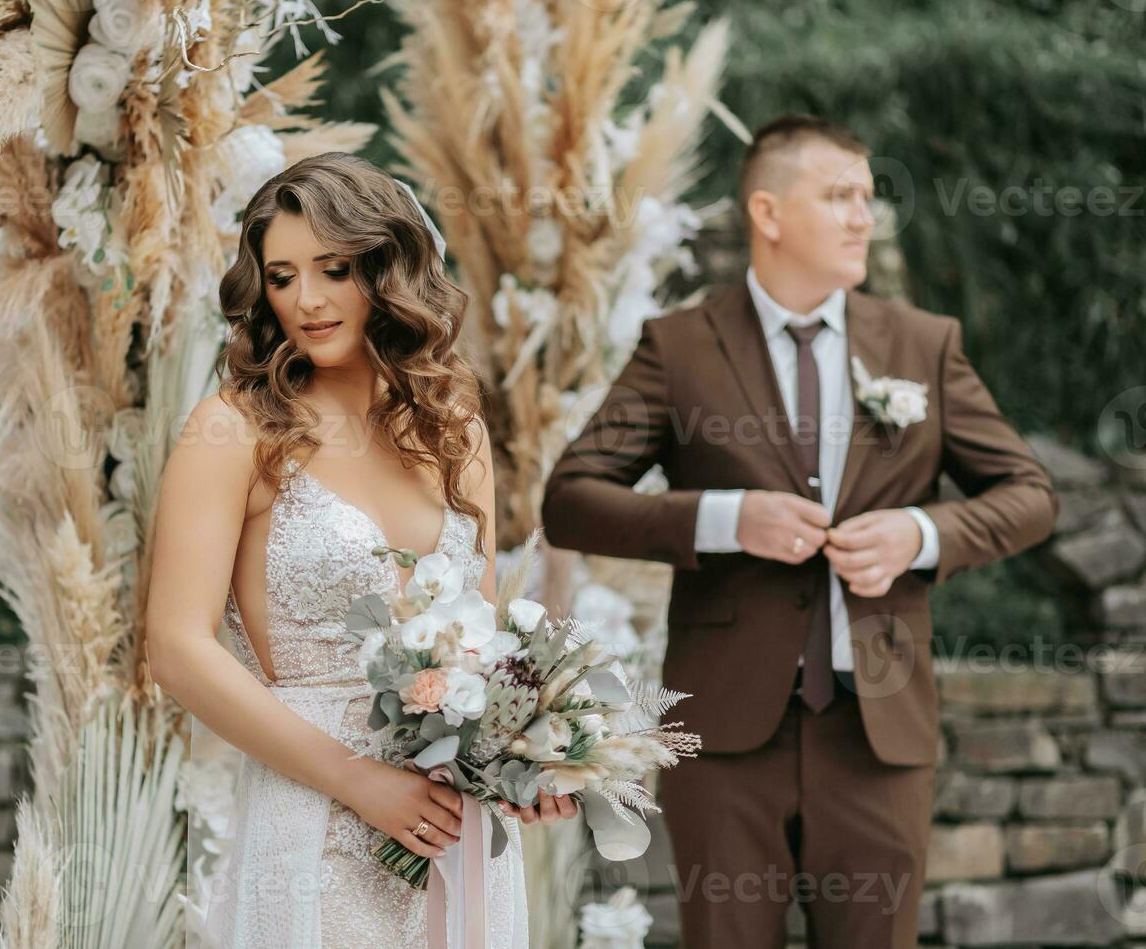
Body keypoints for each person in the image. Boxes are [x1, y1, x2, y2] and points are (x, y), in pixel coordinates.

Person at [540, 115, 1059, 947]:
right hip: (726, 737)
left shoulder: (923, 346)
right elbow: (570, 500)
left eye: (869, 197)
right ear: (769, 213)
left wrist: (920, 535)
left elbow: (1029, 493)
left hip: (878, 735)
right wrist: (723, 519)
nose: (864, 216)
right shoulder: (679, 349)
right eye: (840, 195)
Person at [145, 152, 575, 949]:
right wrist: (357, 781)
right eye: (281, 276)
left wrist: (526, 764)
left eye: (334, 269)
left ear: (387, 267)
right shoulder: (232, 428)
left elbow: (475, 647)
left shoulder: (455, 427)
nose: (305, 300)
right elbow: (175, 648)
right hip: (313, 811)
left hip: (454, 819)